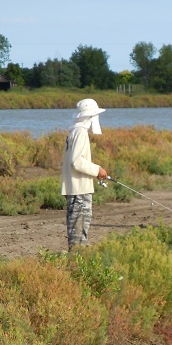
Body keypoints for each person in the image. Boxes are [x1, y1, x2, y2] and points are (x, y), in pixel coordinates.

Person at [61, 98, 109, 250]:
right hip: (79, 193)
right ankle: (75, 269)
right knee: (78, 240)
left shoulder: (73, 131)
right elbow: (77, 162)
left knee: (77, 237)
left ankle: (74, 268)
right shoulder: (80, 133)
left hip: (75, 191)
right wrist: (98, 170)